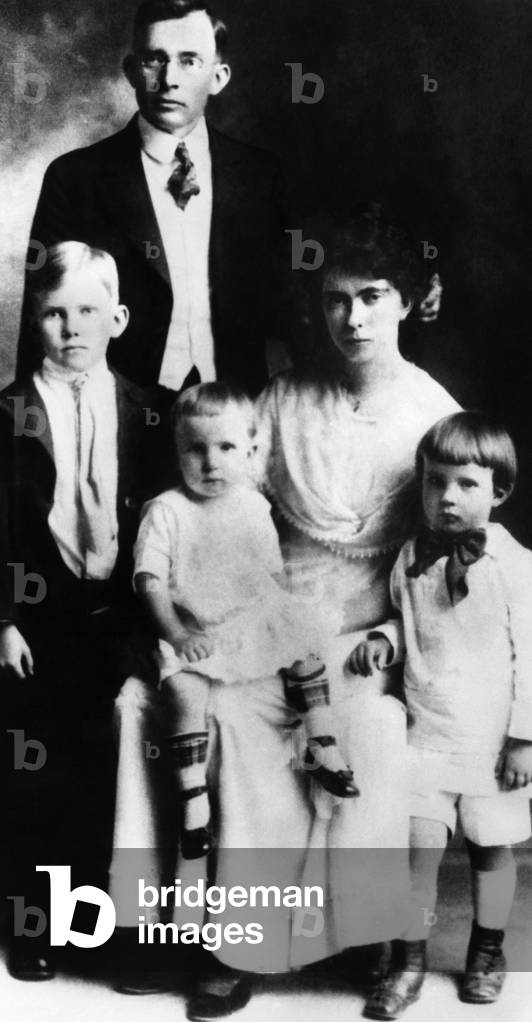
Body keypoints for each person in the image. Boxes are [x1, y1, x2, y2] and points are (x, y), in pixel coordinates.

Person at [175, 202, 461, 1018]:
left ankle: (389, 940)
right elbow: (228, 513)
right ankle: (244, 941)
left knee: (366, 730)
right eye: (337, 298)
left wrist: (390, 636)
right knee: (235, 719)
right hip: (275, 618)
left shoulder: (435, 415)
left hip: (379, 634)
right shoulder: (283, 399)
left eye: (373, 296)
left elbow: (444, 566)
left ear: (409, 301)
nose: (353, 317)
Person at [0, 241, 169, 981]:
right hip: (38, 623)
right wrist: (4, 619)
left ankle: (121, 927)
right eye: (54, 313)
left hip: (123, 620)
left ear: (119, 318)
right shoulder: (7, 414)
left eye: (89, 312)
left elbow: (169, 525)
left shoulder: (150, 413)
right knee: (42, 771)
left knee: (122, 768)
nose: (72, 328)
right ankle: (34, 923)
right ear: (32, 320)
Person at [351, 412, 532, 1019]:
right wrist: (385, 641)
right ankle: (409, 958)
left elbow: (530, 656)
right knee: (417, 850)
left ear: (499, 491)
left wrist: (524, 739)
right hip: (424, 735)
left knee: (490, 849)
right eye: (435, 482)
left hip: (487, 742)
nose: (447, 497)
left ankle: (487, 949)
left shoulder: (515, 566)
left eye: (466, 484)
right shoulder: (410, 557)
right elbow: (410, 624)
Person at [134, 382, 358, 860]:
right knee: (183, 690)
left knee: (304, 646)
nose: (211, 462)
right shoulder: (167, 511)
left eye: (226, 448)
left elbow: (269, 573)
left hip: (250, 620)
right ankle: (193, 800)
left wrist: (280, 616)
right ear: (177, 452)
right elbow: (149, 581)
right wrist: (175, 632)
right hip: (196, 628)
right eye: (196, 450)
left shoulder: (253, 504)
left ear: (250, 451)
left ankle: (321, 740)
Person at [17, 0, 286, 395]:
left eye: (189, 61)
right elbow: (40, 319)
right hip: (117, 413)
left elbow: (290, 311)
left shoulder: (259, 176)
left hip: (236, 414)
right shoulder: (76, 178)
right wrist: (28, 438)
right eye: (154, 60)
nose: (169, 79)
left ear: (219, 76)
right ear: (130, 72)